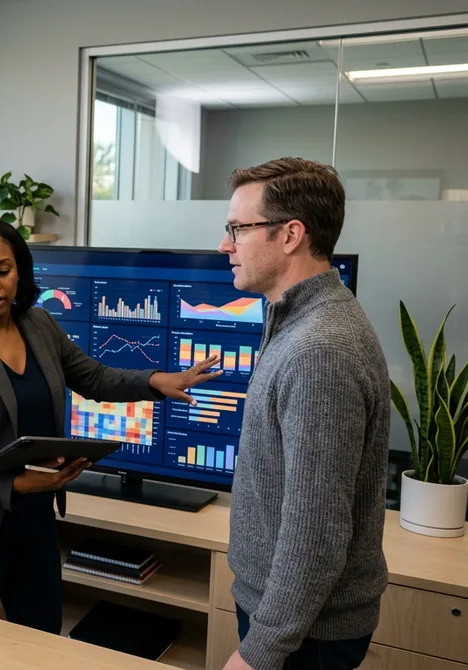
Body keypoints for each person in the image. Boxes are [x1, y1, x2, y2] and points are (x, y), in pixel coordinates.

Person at [0, 218, 221, 634]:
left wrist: (156, 381)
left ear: (20, 270)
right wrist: (14, 485)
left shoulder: (39, 324)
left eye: (2, 271)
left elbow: (92, 377)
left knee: (42, 640)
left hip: (33, 517)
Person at [219, 158, 390, 670]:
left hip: (302, 633)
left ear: (290, 234)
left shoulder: (319, 350)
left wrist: (260, 652)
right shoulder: (299, 321)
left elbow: (315, 531)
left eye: (237, 229)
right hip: (288, 614)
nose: (224, 245)